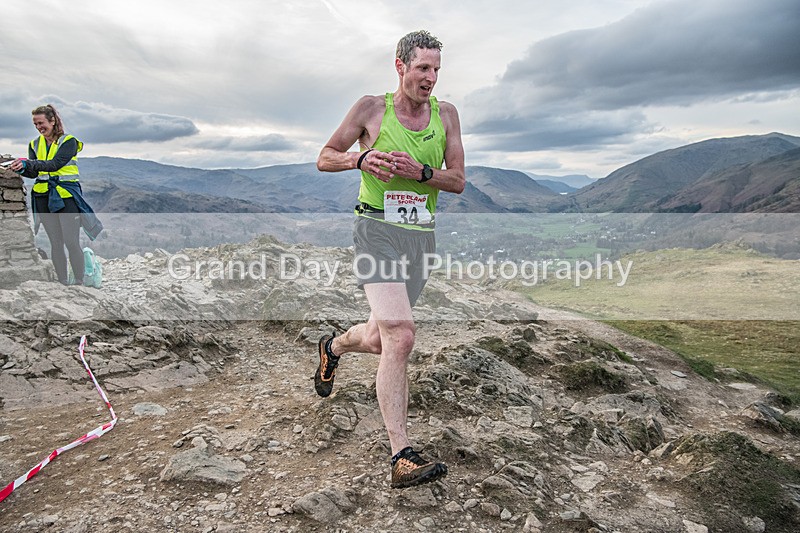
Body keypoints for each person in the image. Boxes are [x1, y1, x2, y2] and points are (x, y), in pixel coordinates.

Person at [316, 30, 465, 488]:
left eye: (437, 69)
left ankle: (333, 347)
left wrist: (421, 172)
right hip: (375, 231)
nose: (431, 78)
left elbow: (457, 180)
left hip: (419, 237)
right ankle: (401, 455)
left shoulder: (447, 116)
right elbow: (325, 157)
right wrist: (360, 162)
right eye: (423, 68)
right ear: (400, 66)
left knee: (382, 340)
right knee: (401, 337)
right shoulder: (370, 109)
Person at [10, 104, 101, 285]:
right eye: (35, 124)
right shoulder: (34, 144)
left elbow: (55, 164)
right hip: (43, 197)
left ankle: (79, 282)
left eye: (41, 123)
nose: (38, 127)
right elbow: (35, 173)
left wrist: (28, 163)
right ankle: (62, 282)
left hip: (66, 196)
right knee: (55, 242)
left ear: (53, 121)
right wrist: (20, 169)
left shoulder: (69, 141)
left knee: (71, 241)